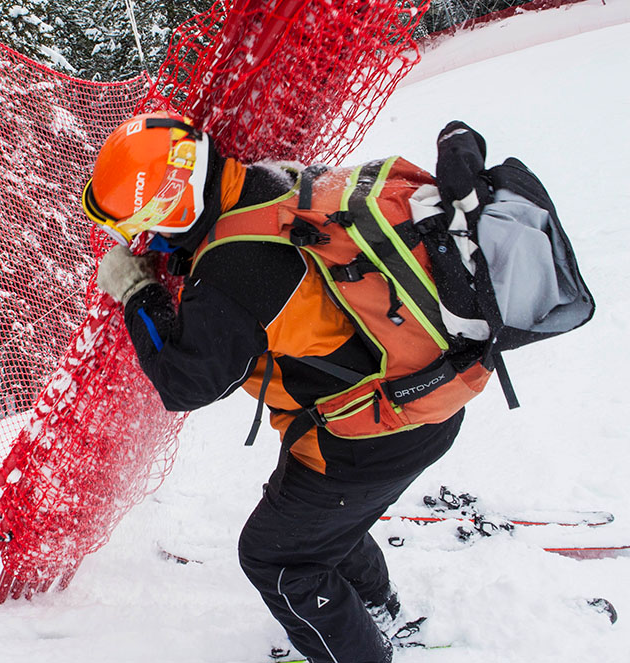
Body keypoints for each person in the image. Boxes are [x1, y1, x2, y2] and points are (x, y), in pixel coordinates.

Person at [80, 112, 497, 662]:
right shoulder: (265, 183)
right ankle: (376, 611)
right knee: (318, 528)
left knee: (275, 557)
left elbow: (185, 383)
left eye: (143, 227)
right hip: (420, 396)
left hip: (369, 437)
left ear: (171, 209)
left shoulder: (230, 274)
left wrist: (137, 291)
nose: (142, 240)